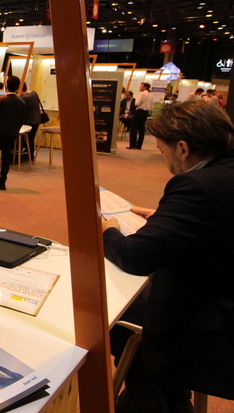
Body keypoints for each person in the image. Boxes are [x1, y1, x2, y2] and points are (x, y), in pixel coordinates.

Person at [102, 100, 234, 412]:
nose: (163, 159)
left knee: (108, 307)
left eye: (162, 151)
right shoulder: (223, 176)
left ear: (183, 149)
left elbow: (136, 256)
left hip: (210, 327)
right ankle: (162, 394)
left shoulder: (195, 186)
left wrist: (108, 231)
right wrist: (170, 220)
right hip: (221, 292)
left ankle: (149, 394)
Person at [127, 82, 153, 150]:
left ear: (145, 87)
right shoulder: (151, 95)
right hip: (146, 113)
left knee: (134, 128)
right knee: (141, 129)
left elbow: (137, 103)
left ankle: (132, 144)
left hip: (139, 111)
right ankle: (139, 145)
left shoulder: (141, 94)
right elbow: (151, 106)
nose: (140, 87)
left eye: (141, 86)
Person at [20, 83, 42, 156]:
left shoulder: (24, 98)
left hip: (29, 122)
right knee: (30, 139)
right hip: (37, 120)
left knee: (27, 139)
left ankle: (27, 154)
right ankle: (29, 155)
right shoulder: (34, 93)